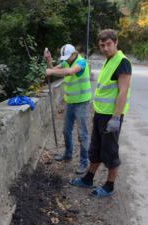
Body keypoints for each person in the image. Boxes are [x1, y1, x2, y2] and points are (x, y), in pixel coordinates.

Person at [70, 29, 132, 198]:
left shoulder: (122, 62)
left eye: (108, 44)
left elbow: (123, 92)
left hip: (111, 117)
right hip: (100, 114)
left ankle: (109, 186)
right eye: (102, 45)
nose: (105, 48)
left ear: (116, 42)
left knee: (110, 152)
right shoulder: (108, 60)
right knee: (96, 148)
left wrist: (116, 118)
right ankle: (88, 179)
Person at [44, 44, 92, 174]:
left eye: (68, 57)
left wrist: (52, 71)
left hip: (82, 102)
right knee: (66, 130)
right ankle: (68, 153)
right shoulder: (66, 62)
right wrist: (49, 60)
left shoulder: (81, 62)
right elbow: (53, 69)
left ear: (73, 54)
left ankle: (83, 162)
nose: (66, 60)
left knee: (82, 134)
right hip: (70, 103)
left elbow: (70, 71)